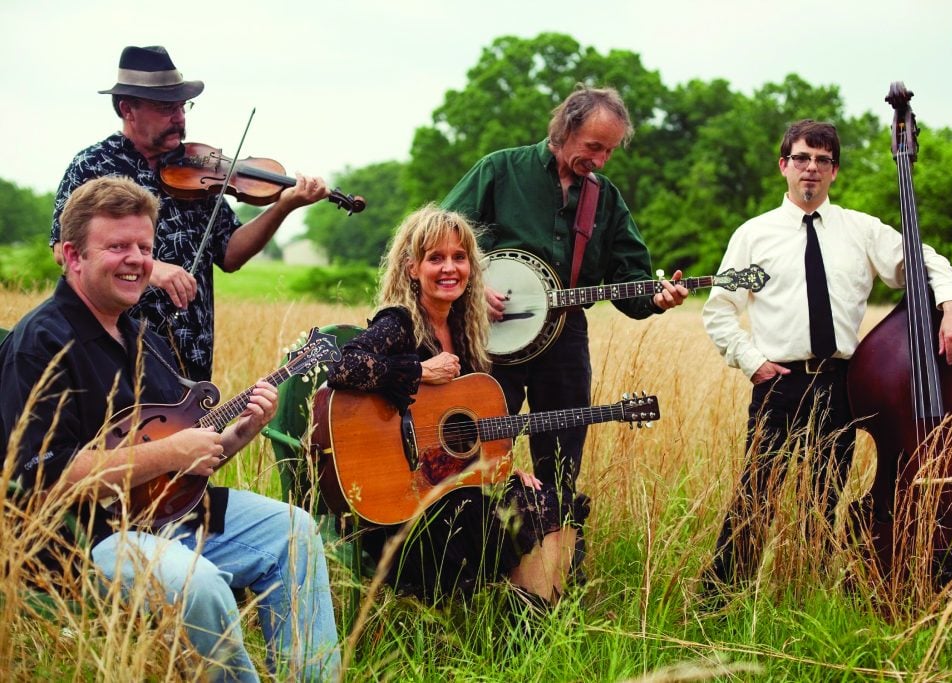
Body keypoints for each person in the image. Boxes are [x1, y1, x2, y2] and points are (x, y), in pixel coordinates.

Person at [2, 177, 339, 681]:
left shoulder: (143, 339)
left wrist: (240, 433)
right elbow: (42, 479)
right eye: (117, 246)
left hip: (167, 515)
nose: (137, 259)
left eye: (144, 246)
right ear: (73, 256)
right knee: (196, 581)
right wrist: (170, 454)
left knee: (294, 530)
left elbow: (188, 459)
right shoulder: (41, 343)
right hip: (87, 540)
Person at [701, 119, 952, 589]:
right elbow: (719, 311)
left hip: (841, 384)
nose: (812, 169)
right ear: (784, 165)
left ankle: (811, 591)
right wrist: (754, 363)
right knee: (755, 497)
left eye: (822, 161)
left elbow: (926, 260)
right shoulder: (753, 235)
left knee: (825, 499)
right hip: (778, 383)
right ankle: (719, 599)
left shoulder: (861, 231)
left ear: (835, 171)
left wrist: (951, 306)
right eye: (802, 158)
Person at [441, 84, 688, 512]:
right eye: (594, 147)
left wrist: (655, 299)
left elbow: (630, 277)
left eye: (609, 151)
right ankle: (466, 549)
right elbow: (439, 236)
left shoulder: (605, 197)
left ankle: (548, 550)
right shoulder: (501, 170)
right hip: (488, 336)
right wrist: (472, 286)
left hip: (565, 338)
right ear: (565, 129)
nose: (600, 160)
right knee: (474, 446)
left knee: (561, 455)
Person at [326, 205, 579, 606]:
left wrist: (505, 467)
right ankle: (518, 623)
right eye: (436, 258)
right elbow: (343, 367)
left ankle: (529, 626)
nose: (449, 268)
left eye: (459, 257)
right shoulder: (399, 322)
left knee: (550, 501)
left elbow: (459, 436)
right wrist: (418, 371)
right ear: (412, 268)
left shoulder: (466, 330)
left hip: (450, 488)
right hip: (406, 506)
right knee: (497, 517)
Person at [50, 45, 329, 382]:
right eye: (166, 108)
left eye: (183, 107)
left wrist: (284, 205)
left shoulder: (199, 165)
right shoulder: (92, 166)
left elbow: (229, 253)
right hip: (112, 352)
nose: (180, 119)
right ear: (128, 109)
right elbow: (62, 250)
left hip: (190, 355)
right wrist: (151, 268)